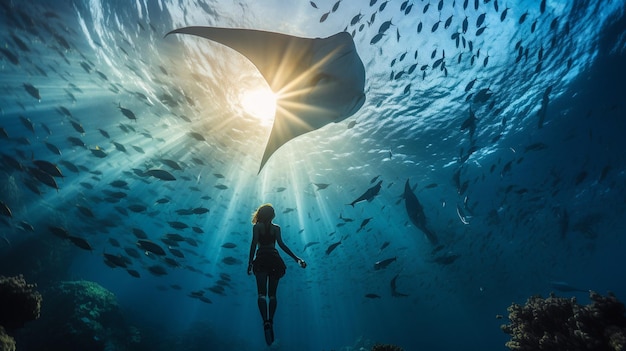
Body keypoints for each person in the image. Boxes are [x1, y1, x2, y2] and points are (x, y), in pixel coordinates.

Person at [247, 203, 306, 345]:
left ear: (260, 214)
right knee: (272, 295)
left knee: (261, 294)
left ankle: (265, 321)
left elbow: (254, 244)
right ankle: (271, 321)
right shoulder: (276, 228)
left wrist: (250, 263)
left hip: (261, 259)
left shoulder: (257, 227)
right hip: (274, 260)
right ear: (272, 214)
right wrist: (297, 258)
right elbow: (282, 245)